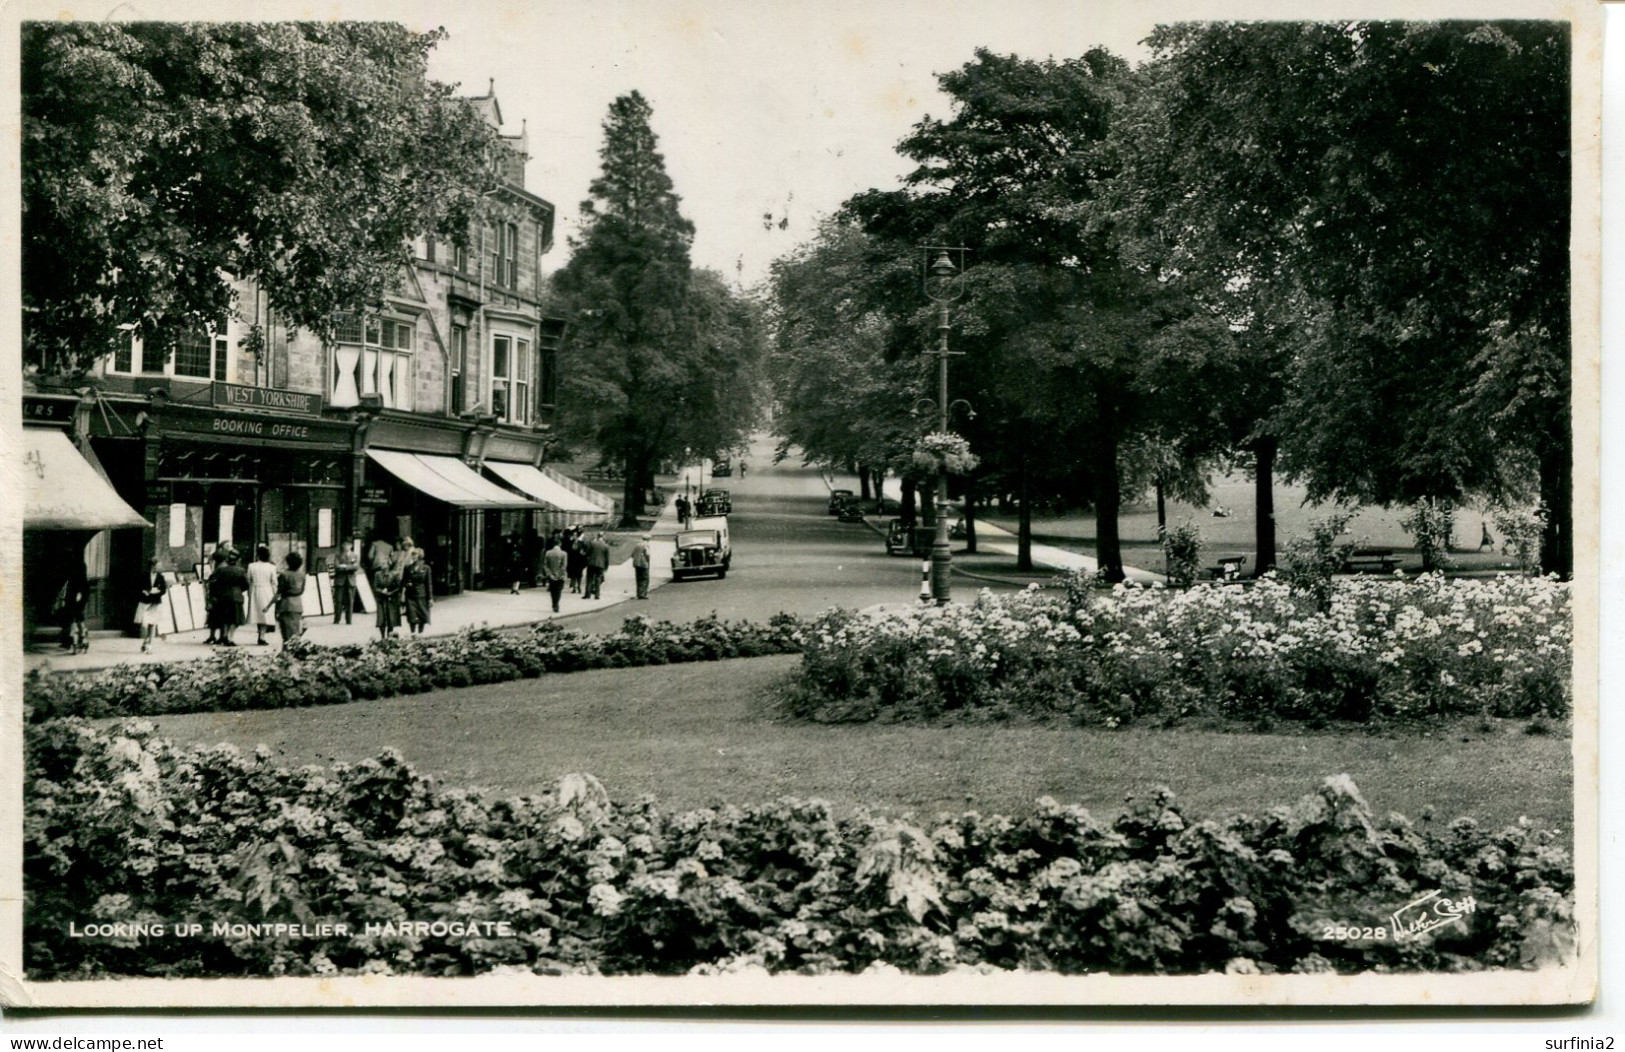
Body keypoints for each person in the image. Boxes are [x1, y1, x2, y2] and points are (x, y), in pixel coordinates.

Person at [208, 550, 249, 647]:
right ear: (238, 560)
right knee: (235, 619)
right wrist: (239, 590)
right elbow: (246, 585)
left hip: (223, 596)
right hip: (236, 596)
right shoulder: (241, 571)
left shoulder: (221, 570)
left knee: (225, 618)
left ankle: (225, 636)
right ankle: (230, 638)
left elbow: (213, 581)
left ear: (227, 560)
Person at [270, 551, 307, 642]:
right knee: (295, 631)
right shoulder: (302, 574)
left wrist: (268, 606)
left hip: (286, 604)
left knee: (286, 633)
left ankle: (287, 653)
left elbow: (279, 592)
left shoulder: (284, 575)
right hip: (298, 604)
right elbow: (302, 590)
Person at [246, 545, 278, 646]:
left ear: (258, 555)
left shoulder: (251, 566)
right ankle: (262, 636)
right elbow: (274, 582)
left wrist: (249, 591)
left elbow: (248, 579)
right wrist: (275, 594)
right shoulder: (272, 567)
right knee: (265, 614)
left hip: (255, 590)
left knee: (257, 614)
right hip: (267, 591)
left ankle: (260, 634)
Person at [134, 558, 167, 654]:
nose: (159, 568)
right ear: (152, 566)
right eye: (158, 566)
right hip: (145, 602)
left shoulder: (161, 577)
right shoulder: (144, 575)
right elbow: (138, 587)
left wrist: (157, 592)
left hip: (155, 602)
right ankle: (145, 641)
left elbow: (164, 590)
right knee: (144, 623)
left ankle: (149, 644)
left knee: (152, 624)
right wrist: (144, 591)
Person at [58, 555, 89, 653]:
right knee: (78, 620)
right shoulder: (81, 578)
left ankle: (75, 642)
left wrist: (75, 598)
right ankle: (82, 639)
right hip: (75, 599)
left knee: (74, 621)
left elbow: (77, 591)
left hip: (75, 600)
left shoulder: (76, 578)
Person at [402, 548, 433, 634]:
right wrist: (407, 584)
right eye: (412, 555)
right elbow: (403, 581)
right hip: (410, 596)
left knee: (421, 616)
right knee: (412, 616)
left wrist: (430, 598)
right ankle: (412, 633)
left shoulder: (426, 568)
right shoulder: (408, 568)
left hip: (422, 596)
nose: (413, 557)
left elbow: (429, 584)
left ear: (420, 556)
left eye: (415, 555)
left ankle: (420, 634)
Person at [372, 559, 402, 640]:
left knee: (390, 619)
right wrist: (382, 592)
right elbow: (375, 587)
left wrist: (391, 592)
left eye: (385, 564)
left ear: (389, 565)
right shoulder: (377, 574)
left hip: (391, 599)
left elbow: (398, 587)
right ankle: (382, 637)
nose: (383, 566)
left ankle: (389, 637)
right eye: (382, 564)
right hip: (381, 599)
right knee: (381, 619)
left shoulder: (394, 574)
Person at [332, 538, 359, 624]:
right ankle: (337, 619)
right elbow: (336, 566)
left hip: (351, 581)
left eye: (348, 545)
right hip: (340, 581)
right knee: (338, 601)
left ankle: (349, 620)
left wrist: (344, 566)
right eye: (344, 545)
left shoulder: (355, 556)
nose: (346, 547)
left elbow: (356, 567)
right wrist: (349, 567)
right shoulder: (338, 555)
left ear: (351, 546)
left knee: (350, 601)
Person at [541, 537, 568, 613]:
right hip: (560, 575)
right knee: (558, 590)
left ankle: (554, 604)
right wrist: (560, 574)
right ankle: (556, 604)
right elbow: (564, 565)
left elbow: (545, 565)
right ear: (560, 544)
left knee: (552, 591)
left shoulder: (548, 553)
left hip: (551, 575)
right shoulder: (564, 553)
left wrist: (549, 574)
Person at [584, 531, 611, 600]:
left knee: (589, 579)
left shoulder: (592, 544)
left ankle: (588, 594)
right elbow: (607, 558)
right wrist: (606, 567)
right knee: (598, 579)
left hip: (591, 564)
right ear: (603, 537)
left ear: (597, 536)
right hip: (600, 565)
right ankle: (597, 595)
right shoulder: (606, 546)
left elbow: (587, 553)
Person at [566, 528, 588, 594]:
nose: (574, 536)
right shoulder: (570, 543)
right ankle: (574, 588)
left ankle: (579, 587)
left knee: (579, 575)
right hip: (572, 561)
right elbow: (568, 551)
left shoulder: (581, 543)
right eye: (573, 535)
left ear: (577, 536)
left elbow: (585, 552)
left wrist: (583, 554)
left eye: (575, 535)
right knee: (573, 575)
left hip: (579, 562)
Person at [631, 533, 652, 600]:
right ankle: (643, 594)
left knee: (638, 578)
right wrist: (647, 562)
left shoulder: (637, 545)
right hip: (643, 564)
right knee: (645, 579)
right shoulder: (646, 545)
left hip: (636, 564)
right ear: (648, 539)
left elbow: (632, 555)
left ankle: (638, 593)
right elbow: (647, 554)